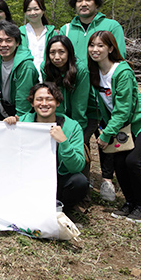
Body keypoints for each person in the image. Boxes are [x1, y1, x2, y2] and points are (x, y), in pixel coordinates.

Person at [59, 0, 127, 202]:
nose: (84, 3)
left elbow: (119, 57)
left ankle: (108, 180)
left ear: (96, 2)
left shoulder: (111, 25)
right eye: (79, 0)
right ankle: (83, 186)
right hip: (79, 97)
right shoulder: (67, 29)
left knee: (110, 139)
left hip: (104, 96)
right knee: (82, 139)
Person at [88, 31, 141, 222]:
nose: (95, 50)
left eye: (100, 46)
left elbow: (124, 109)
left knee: (132, 161)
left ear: (111, 48)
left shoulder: (122, 71)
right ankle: (129, 203)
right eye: (92, 45)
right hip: (121, 126)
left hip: (140, 122)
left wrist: (107, 134)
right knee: (119, 163)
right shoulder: (95, 72)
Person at [19, 83, 88, 215]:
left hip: (58, 179)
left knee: (79, 181)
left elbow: (77, 166)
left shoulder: (72, 127)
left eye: (49, 99)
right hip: (29, 179)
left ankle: (63, 211)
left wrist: (64, 142)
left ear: (57, 102)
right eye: (39, 99)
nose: (44, 103)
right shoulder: (22, 123)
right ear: (32, 103)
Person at [42, 35, 91, 176]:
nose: (57, 57)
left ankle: (83, 182)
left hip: (81, 115)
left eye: (61, 52)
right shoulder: (45, 68)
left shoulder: (80, 69)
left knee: (81, 145)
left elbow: (80, 104)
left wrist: (76, 129)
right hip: (58, 114)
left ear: (69, 52)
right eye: (52, 53)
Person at [0, 20, 39, 120]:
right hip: (2, 110)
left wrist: (20, 120)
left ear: (17, 42)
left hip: (22, 115)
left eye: (8, 40)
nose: (3, 45)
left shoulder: (26, 65)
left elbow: (23, 98)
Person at [19, 0, 55, 81]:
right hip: (25, 80)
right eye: (28, 10)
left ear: (43, 11)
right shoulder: (19, 33)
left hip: (49, 79)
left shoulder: (52, 33)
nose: (32, 13)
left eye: (36, 9)